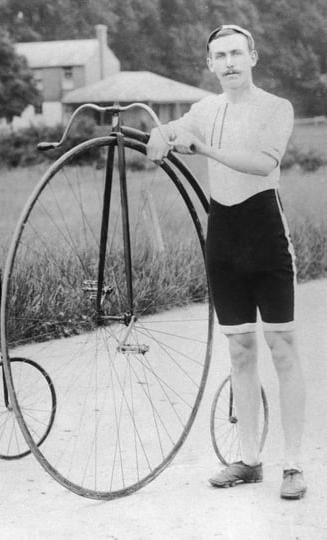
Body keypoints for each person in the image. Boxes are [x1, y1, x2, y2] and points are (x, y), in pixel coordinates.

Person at [147, 24, 307, 500]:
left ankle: (294, 464)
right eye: (220, 56)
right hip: (224, 237)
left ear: (253, 57)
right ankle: (249, 460)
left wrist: (204, 149)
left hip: (266, 234)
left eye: (237, 53)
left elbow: (263, 163)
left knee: (281, 347)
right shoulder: (205, 108)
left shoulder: (276, 108)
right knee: (240, 351)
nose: (230, 62)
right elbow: (178, 129)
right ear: (210, 65)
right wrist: (161, 131)